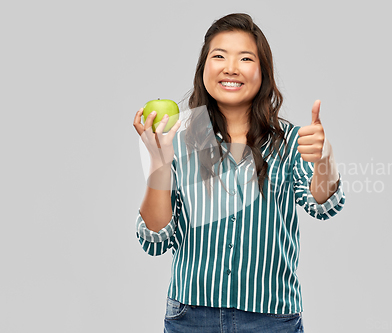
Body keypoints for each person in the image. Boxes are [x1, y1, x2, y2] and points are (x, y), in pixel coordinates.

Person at [132, 13, 345, 333]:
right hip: (191, 317)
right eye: (219, 56)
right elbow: (155, 238)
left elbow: (322, 203)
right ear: (203, 68)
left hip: (272, 318)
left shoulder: (287, 142)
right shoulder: (178, 138)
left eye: (245, 58)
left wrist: (325, 157)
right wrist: (159, 165)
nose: (231, 67)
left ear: (263, 72)